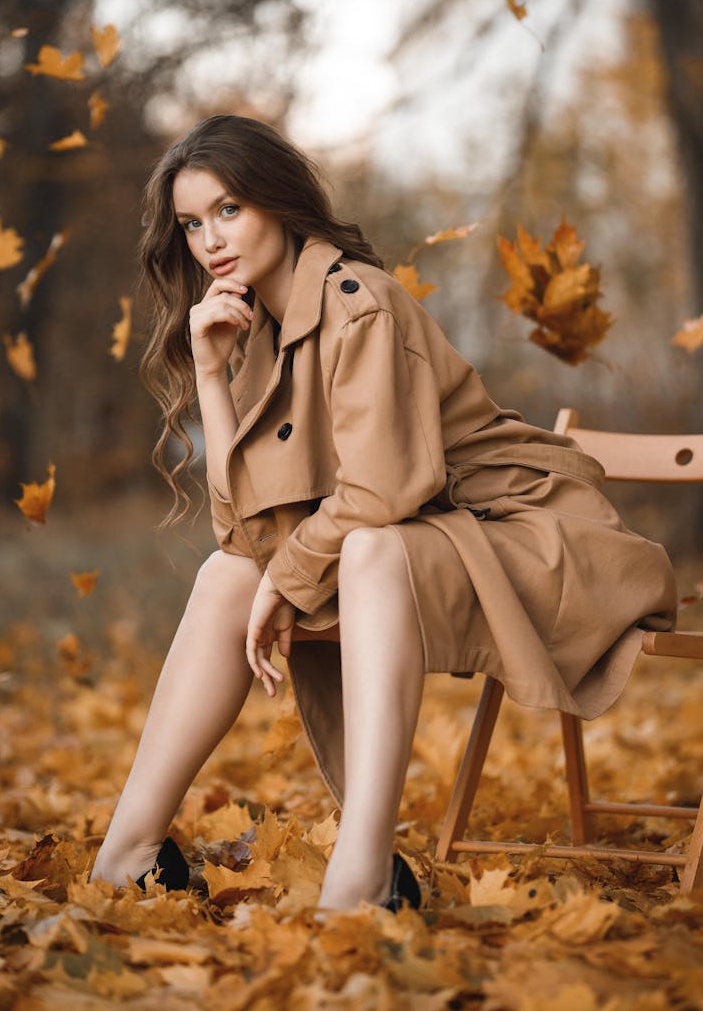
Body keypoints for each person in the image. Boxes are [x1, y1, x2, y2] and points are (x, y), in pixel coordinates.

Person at [89, 114, 677, 910]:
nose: (210, 241)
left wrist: (289, 577)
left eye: (229, 210)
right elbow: (243, 529)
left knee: (362, 550)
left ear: (278, 201)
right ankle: (128, 852)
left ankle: (361, 875)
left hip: (524, 534)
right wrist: (210, 371)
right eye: (192, 224)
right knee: (228, 573)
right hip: (424, 538)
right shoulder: (255, 324)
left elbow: (382, 492)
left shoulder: (358, 302)